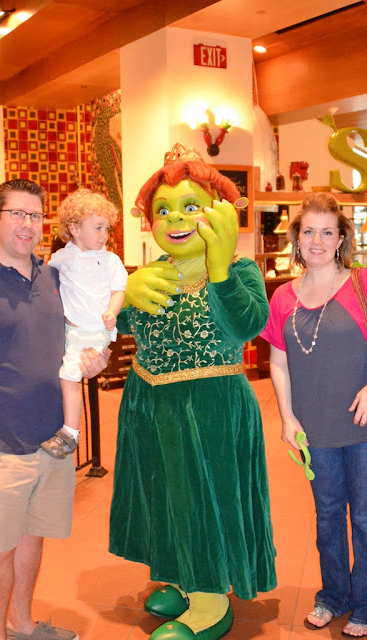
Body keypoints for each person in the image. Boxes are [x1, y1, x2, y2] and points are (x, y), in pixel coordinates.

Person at [109, 144, 277, 640]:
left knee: (204, 501)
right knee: (165, 499)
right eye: (163, 210)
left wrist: (220, 271)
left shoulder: (240, 270)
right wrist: (118, 296)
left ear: (218, 213)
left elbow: (248, 324)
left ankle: (209, 600)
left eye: (189, 206)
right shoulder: (149, 272)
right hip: (149, 404)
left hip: (210, 411)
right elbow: (111, 325)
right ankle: (182, 580)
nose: (175, 218)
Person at [0, 179, 109, 640]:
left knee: (33, 537)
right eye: (16, 213)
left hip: (53, 439)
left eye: (35, 215)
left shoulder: (53, 277)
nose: (26, 224)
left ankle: (22, 624)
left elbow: (75, 340)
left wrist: (94, 360)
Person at [260, 192, 367, 638]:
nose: (317, 240)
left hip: (362, 426)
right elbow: (278, 361)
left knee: (365, 519)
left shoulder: (361, 283)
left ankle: (365, 604)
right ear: (297, 238)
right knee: (328, 518)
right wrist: (287, 416)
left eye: (327, 232)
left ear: (341, 238)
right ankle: (333, 596)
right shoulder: (284, 296)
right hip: (312, 429)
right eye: (309, 231)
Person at [40, 188, 128, 459]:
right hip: (71, 330)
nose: (104, 235)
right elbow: (46, 273)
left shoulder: (110, 260)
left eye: (107, 229)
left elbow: (118, 291)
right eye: (98, 228)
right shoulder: (63, 257)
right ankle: (67, 430)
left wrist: (112, 312)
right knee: (65, 376)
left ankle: (70, 434)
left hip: (93, 331)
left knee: (68, 378)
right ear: (75, 229)